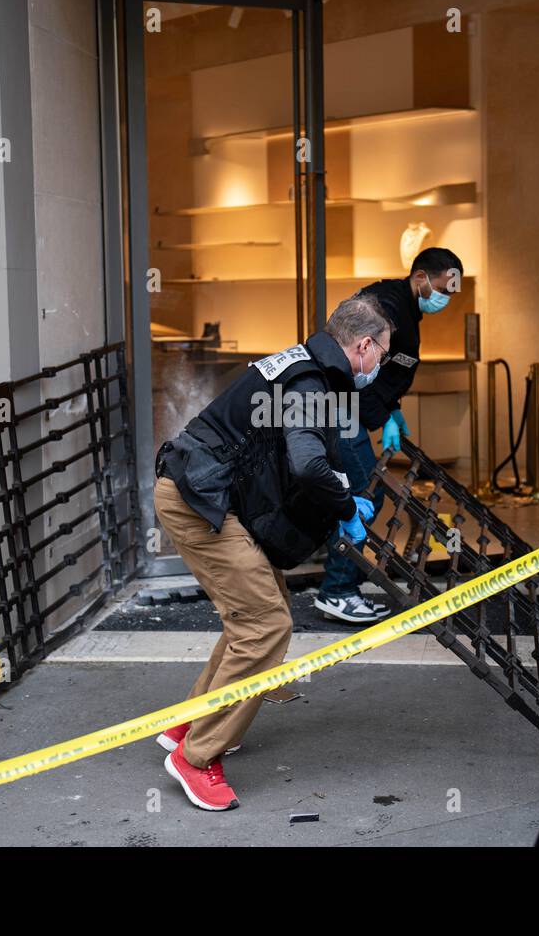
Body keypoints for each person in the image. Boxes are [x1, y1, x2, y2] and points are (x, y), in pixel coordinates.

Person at [152, 294, 395, 811]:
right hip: (200, 501)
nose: (379, 367)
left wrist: (339, 495)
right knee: (265, 625)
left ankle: (190, 724)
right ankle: (197, 758)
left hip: (202, 493)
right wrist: (344, 502)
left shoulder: (305, 364)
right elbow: (307, 465)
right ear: (364, 345)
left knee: (259, 613)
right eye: (381, 356)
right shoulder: (312, 382)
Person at [314, 246, 463, 624]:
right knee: (366, 493)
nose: (447, 298)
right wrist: (381, 411)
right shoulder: (385, 306)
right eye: (444, 288)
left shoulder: (406, 311)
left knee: (358, 493)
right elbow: (357, 362)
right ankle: (337, 590)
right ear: (420, 278)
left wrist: (392, 408)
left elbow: (389, 370)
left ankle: (341, 585)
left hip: (351, 411)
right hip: (341, 409)